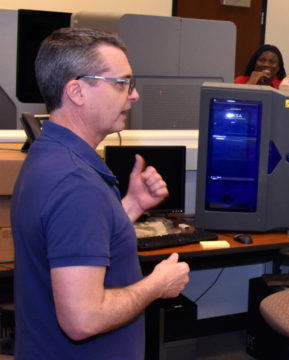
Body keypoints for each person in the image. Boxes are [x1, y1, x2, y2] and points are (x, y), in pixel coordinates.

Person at [10, 27, 190, 358]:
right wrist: (156, 285)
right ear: (77, 91)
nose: (133, 95)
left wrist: (132, 205)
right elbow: (83, 319)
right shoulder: (75, 182)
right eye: (122, 84)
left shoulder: (50, 153)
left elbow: (73, 237)